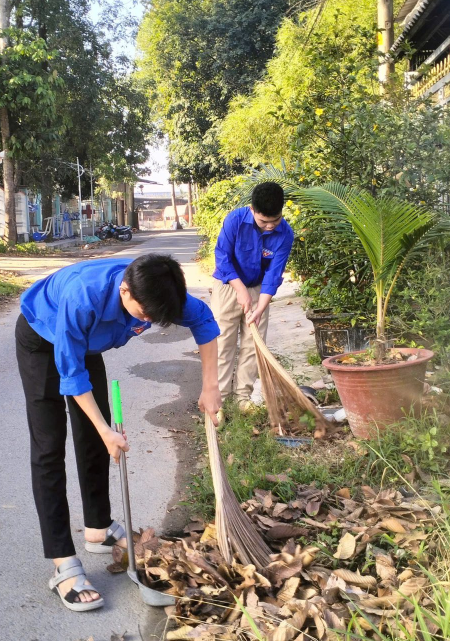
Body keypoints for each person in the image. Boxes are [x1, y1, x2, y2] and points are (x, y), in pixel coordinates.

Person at [15, 253, 222, 612]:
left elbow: (204, 320)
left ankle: (99, 528)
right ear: (124, 291)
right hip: (42, 336)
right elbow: (71, 374)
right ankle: (63, 561)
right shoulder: (84, 297)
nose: (147, 321)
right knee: (49, 446)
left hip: (85, 341)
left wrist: (210, 386)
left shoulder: (159, 286)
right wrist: (105, 430)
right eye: (144, 315)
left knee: (97, 440)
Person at [211, 182, 294, 409]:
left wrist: (260, 308)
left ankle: (242, 399)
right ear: (252, 209)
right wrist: (240, 290)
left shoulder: (285, 234)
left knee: (253, 344)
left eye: (275, 220)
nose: (270, 226)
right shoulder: (235, 220)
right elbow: (222, 257)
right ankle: (220, 400)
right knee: (223, 342)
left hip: (259, 289)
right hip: (228, 285)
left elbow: (274, 274)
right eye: (263, 221)